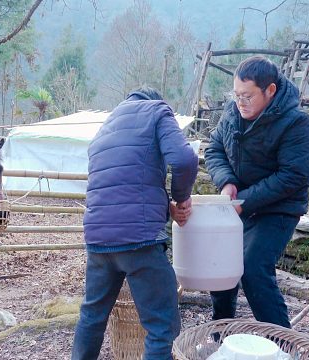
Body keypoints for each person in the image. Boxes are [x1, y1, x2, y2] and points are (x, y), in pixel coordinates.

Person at [72, 86, 198, 360]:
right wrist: (180, 199)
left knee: (92, 316)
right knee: (162, 326)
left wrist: (165, 207)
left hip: (98, 240)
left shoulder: (106, 127)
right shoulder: (157, 111)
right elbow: (184, 159)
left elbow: (124, 186)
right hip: (139, 241)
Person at [204, 56, 309, 328]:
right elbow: (214, 149)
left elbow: (292, 176)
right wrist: (227, 182)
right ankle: (222, 332)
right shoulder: (233, 114)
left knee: (253, 268)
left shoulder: (296, 124)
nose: (240, 102)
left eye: (248, 96)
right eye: (237, 95)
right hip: (238, 203)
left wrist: (246, 200)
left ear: (270, 91)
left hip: (277, 208)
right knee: (221, 265)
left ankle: (283, 343)